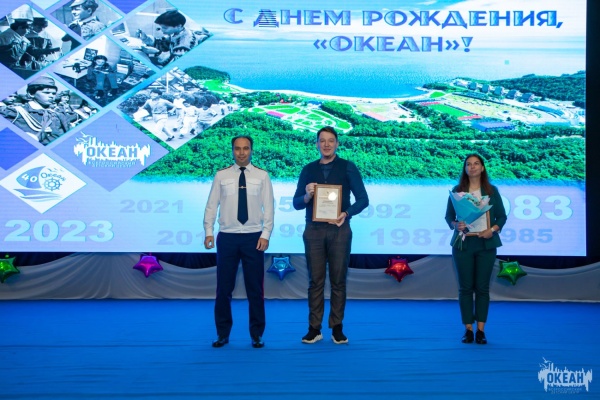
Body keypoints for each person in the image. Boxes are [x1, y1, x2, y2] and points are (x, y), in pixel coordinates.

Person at [292, 126, 369, 344]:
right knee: (315, 281)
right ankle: (314, 328)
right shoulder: (308, 169)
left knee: (338, 281)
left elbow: (363, 200)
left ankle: (337, 327)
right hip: (313, 230)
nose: (326, 144)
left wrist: (347, 213)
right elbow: (296, 203)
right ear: (316, 144)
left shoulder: (348, 167)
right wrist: (307, 196)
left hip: (339, 229)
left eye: (331, 140)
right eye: (322, 140)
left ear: (337, 144)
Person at [203, 135, 275, 349]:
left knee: (255, 290)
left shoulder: (262, 176)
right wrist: (208, 231)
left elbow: (269, 208)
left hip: (254, 237)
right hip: (227, 237)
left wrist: (265, 234)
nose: (241, 152)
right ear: (232, 150)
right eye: (237, 148)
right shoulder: (221, 175)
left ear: (252, 150)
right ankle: (222, 334)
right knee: (223, 289)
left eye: (245, 148)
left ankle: (257, 335)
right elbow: (211, 205)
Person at [444, 154, 507, 345]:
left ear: (482, 167)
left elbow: (502, 217)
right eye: (468, 164)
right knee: (465, 288)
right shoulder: (457, 191)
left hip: (486, 244)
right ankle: (468, 330)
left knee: (482, 288)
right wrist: (456, 225)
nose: (472, 167)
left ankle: (481, 330)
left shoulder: (492, 191)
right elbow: (449, 217)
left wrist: (492, 230)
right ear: (465, 168)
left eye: (476, 164)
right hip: (463, 244)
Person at [0, 76, 69, 144]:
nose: (51, 96)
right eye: (46, 93)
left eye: (54, 93)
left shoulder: (57, 114)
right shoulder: (15, 113)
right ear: (31, 94)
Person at [137, 10, 212, 66]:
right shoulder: (178, 33)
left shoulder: (185, 42)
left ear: (179, 26)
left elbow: (176, 64)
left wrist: (157, 52)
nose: (162, 30)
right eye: (161, 27)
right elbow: (164, 44)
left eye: (165, 28)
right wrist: (146, 38)